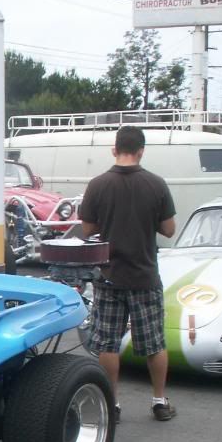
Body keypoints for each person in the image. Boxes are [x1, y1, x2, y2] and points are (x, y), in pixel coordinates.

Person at [80, 125, 177, 422]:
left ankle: (112, 403)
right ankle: (159, 401)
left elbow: (87, 229)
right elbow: (169, 230)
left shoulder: (97, 184)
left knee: (108, 343)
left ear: (114, 149)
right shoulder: (156, 184)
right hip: (145, 276)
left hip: (109, 276)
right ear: (141, 151)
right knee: (154, 342)